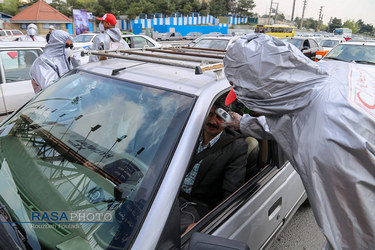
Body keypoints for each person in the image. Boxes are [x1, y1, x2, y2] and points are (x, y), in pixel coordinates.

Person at [223, 34, 375, 249]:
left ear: (261, 93)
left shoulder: (326, 144)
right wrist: (243, 123)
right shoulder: (331, 73)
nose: (244, 103)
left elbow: (358, 237)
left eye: (243, 98)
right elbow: (291, 120)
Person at [179, 99, 248, 233]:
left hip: (198, 207)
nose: (212, 121)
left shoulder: (236, 147)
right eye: (209, 115)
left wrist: (208, 223)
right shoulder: (189, 132)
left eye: (219, 117)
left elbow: (231, 195)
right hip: (171, 195)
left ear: (228, 119)